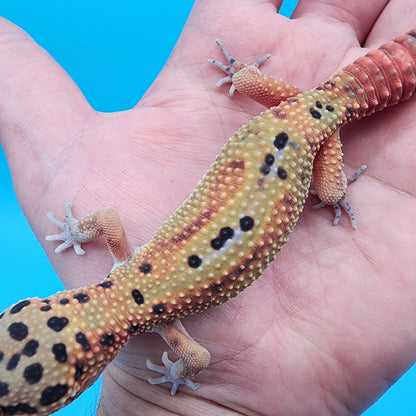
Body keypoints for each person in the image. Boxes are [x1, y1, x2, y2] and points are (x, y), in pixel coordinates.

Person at [0, 0, 415, 414]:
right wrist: (78, 231)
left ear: (85, 377)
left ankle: (332, 181)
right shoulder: (124, 265)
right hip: (284, 117)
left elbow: (198, 359)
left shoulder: (164, 322)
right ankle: (245, 77)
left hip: (310, 132)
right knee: (325, 156)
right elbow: (108, 219)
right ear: (37, 305)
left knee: (328, 192)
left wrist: (174, 383)